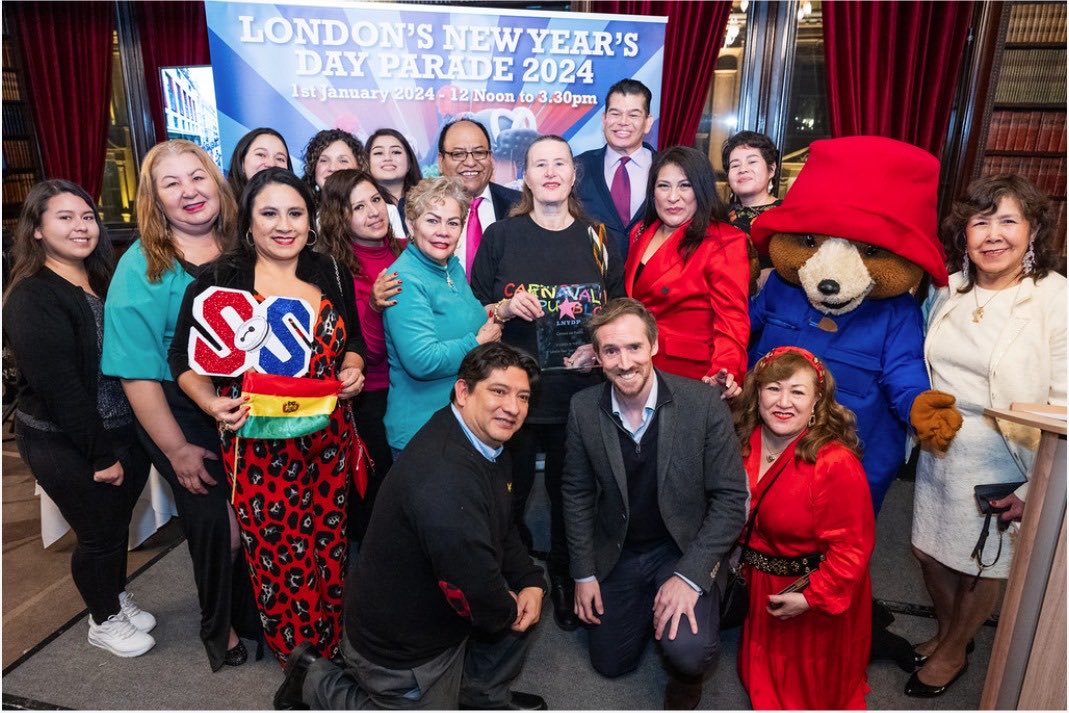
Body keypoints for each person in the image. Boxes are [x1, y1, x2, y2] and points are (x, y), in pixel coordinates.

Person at [274, 343, 548, 711]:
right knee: (511, 610)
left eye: (523, 396)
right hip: (399, 649)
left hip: (439, 611)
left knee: (529, 594)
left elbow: (501, 524)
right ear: (463, 392)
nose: (513, 408)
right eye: (498, 391)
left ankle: (479, 697)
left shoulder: (484, 440)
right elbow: (477, 587)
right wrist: (508, 609)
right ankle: (314, 681)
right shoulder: (446, 477)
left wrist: (530, 580)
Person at [168, 167, 367, 663]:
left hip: (329, 439)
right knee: (282, 558)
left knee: (329, 548)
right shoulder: (220, 280)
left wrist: (354, 369)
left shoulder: (330, 270)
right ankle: (300, 663)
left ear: (311, 219)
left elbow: (355, 344)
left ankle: (333, 647)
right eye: (270, 213)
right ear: (249, 223)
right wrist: (212, 402)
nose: (285, 225)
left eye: (295, 213)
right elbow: (181, 362)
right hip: (259, 445)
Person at [103, 139, 262, 671]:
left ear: (215, 182)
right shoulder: (141, 266)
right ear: (154, 199)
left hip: (252, 408)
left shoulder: (245, 241)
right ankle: (221, 627)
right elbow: (137, 371)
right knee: (219, 527)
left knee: (256, 516)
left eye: (196, 177)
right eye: (170, 184)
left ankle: (256, 610)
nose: (189, 192)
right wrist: (176, 450)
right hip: (181, 414)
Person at [908, 175, 1066, 697]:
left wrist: (1034, 489)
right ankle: (951, 631)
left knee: (979, 565)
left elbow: (1065, 400)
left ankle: (955, 647)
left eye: (1008, 221)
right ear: (965, 234)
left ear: (1034, 230)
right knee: (930, 554)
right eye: (981, 222)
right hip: (941, 449)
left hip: (1009, 456)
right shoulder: (950, 290)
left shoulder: (1054, 300)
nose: (993, 235)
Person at [561, 298, 749, 710]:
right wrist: (584, 573)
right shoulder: (583, 409)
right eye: (610, 351)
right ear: (597, 356)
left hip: (681, 546)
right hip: (620, 548)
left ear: (654, 346)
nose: (624, 362)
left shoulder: (701, 405)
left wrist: (691, 576)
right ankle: (649, 606)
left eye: (634, 348)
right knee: (610, 662)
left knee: (689, 651)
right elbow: (575, 492)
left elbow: (732, 499)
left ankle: (689, 660)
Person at [471, 134, 625, 632]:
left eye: (560, 163)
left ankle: (564, 574)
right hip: (510, 398)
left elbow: (618, 312)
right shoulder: (502, 238)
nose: (552, 172)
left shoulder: (599, 237)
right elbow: (472, 309)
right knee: (507, 496)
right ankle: (510, 576)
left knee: (570, 493)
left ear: (573, 174)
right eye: (541, 164)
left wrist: (598, 349)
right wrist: (504, 307)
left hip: (577, 396)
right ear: (526, 176)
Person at [3, 180, 155, 658]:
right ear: (37, 231)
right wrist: (100, 455)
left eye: (87, 216)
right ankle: (104, 620)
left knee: (116, 527)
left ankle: (113, 597)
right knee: (97, 534)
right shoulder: (33, 297)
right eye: (64, 218)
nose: (80, 226)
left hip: (119, 429)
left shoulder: (103, 279)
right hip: (68, 441)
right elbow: (61, 389)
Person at [733, 346, 875, 709]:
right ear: (757, 393)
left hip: (810, 590)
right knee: (761, 678)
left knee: (804, 692)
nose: (783, 402)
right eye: (773, 388)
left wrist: (811, 599)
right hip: (760, 583)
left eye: (797, 391)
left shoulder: (834, 463)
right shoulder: (741, 442)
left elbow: (852, 550)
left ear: (817, 403)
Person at [382, 176, 501, 453]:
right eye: (432, 220)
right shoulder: (405, 279)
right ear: (411, 224)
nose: (443, 231)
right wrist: (477, 343)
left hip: (459, 426)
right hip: (422, 433)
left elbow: (461, 321)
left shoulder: (451, 267)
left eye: (453, 222)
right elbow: (422, 361)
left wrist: (499, 311)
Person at [319, 168, 406, 538]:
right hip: (370, 396)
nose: (373, 211)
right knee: (379, 493)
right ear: (341, 217)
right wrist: (372, 306)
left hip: (414, 389)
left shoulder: (407, 250)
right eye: (359, 206)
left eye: (376, 200)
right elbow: (360, 352)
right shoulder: (333, 271)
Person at [624, 146, 750, 387]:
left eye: (685, 185)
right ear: (652, 192)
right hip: (636, 366)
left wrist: (725, 371)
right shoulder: (639, 232)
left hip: (690, 374)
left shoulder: (724, 241)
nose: (673, 197)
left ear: (701, 190)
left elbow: (732, 320)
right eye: (663, 186)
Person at [369, 119, 521, 308]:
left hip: (509, 323)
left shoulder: (519, 205)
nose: (471, 162)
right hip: (436, 321)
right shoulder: (412, 207)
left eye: (480, 152)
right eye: (458, 154)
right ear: (441, 161)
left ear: (491, 158)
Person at [575, 79, 657, 261]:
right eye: (615, 113)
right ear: (604, 119)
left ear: (648, 122)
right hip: (592, 282)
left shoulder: (667, 169)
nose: (623, 122)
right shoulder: (578, 167)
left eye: (633, 115)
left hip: (651, 282)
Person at [721, 130, 781, 294]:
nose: (743, 169)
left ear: (771, 169)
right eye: (735, 165)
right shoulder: (720, 215)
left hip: (769, 306)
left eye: (752, 162)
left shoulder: (785, 214)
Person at [366, 128, 422, 236]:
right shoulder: (361, 208)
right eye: (378, 153)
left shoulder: (431, 201)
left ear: (409, 163)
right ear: (366, 163)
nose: (387, 158)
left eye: (396, 152)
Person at [300, 128, 366, 205]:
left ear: (359, 168)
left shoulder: (373, 211)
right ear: (313, 168)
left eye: (343, 161)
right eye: (324, 160)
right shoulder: (303, 211)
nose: (332, 168)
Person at [227, 127, 292, 199]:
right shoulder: (224, 207)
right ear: (242, 163)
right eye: (261, 155)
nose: (271, 164)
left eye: (280, 159)